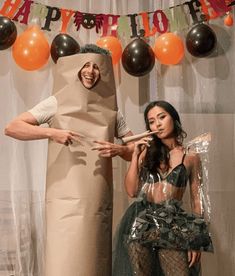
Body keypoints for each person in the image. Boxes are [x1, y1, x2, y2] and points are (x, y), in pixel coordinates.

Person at [5, 44, 133, 276]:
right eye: (86, 65)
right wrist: (51, 133)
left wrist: (119, 149)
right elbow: (12, 127)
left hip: (97, 202)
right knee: (64, 263)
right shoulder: (56, 102)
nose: (91, 71)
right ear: (76, 68)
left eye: (97, 67)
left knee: (94, 262)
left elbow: (134, 149)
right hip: (63, 202)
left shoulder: (112, 110)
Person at [112, 101, 213, 276]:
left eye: (162, 117)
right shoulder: (146, 152)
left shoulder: (191, 157)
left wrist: (196, 239)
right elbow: (131, 191)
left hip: (172, 222)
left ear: (173, 118)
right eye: (151, 121)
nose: (157, 124)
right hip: (141, 221)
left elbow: (198, 200)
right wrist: (135, 155)